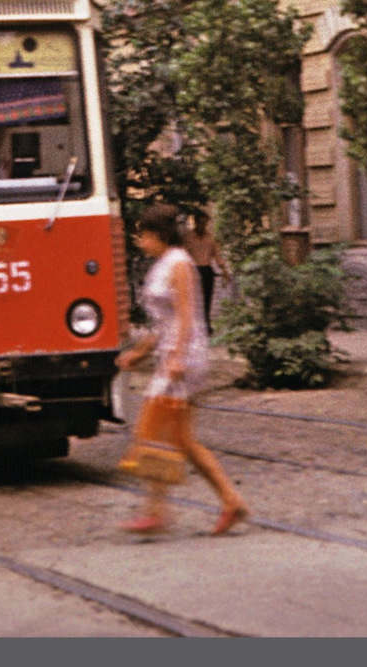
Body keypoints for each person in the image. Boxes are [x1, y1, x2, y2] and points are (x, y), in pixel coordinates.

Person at [115, 204, 249, 536]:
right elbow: (161, 322)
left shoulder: (179, 263)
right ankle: (229, 502)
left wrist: (176, 358)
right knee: (180, 439)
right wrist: (139, 352)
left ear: (157, 235)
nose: (140, 241)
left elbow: (188, 314)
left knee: (155, 431)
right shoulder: (162, 265)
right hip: (173, 357)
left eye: (143, 234)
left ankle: (157, 511)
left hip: (184, 359)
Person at [183, 211, 229, 331]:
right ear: (195, 222)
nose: (202, 225)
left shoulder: (211, 238)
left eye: (205, 223)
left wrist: (224, 271)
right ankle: (193, 325)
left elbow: (217, 256)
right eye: (200, 222)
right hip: (193, 270)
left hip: (207, 270)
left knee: (207, 298)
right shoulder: (188, 238)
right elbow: (183, 255)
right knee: (193, 298)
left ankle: (205, 323)